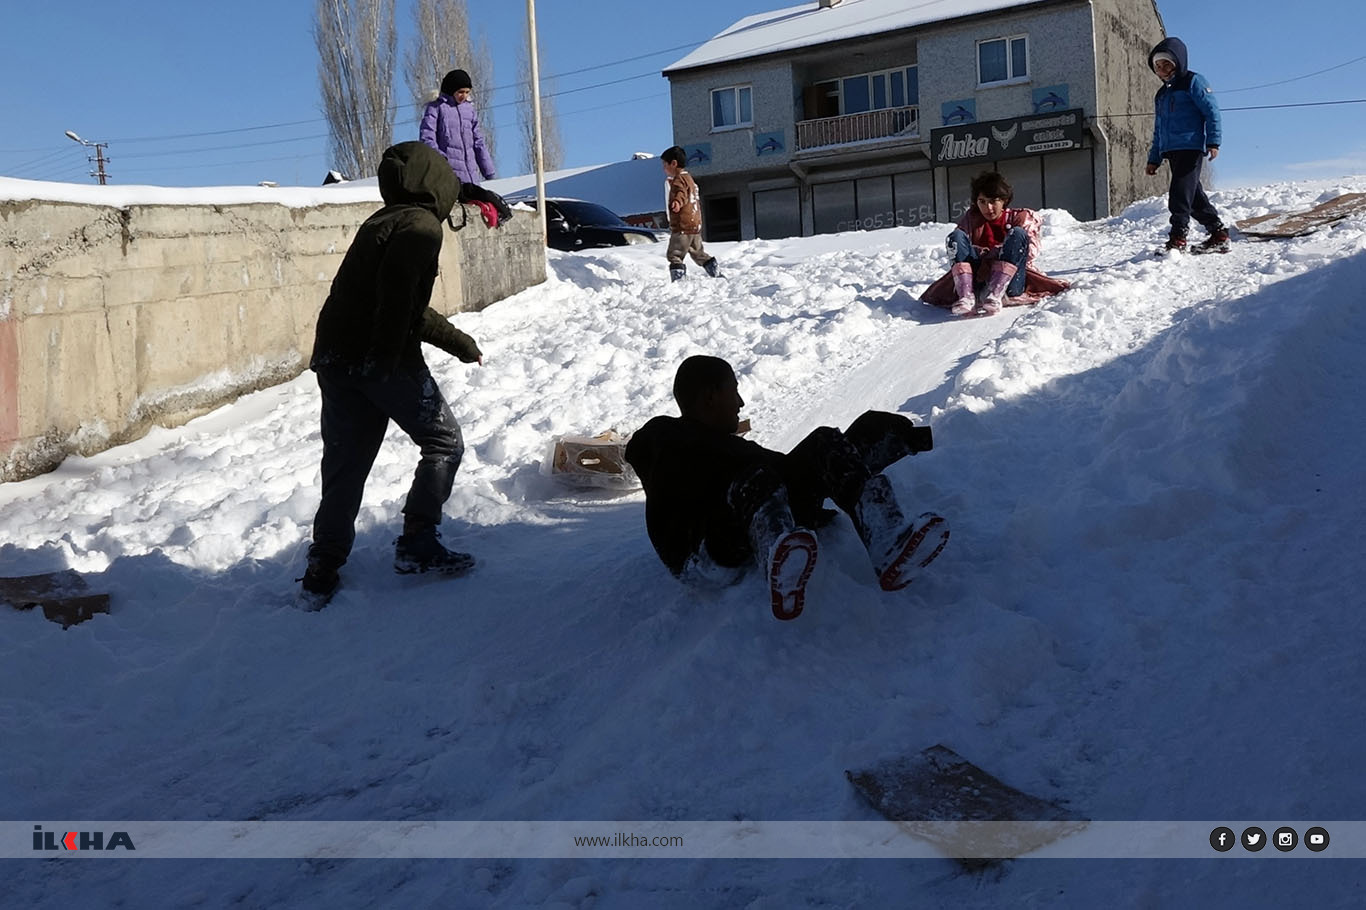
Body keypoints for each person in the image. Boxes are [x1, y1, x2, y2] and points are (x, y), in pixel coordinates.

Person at [623, 356, 949, 620]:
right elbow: (774, 470)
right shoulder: (670, 438)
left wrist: (865, 442)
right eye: (732, 390)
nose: (740, 401)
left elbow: (791, 469)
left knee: (819, 445)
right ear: (710, 397)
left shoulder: (718, 448)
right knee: (760, 476)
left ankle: (887, 539)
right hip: (702, 558)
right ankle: (779, 561)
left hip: (731, 533)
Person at [301, 141, 484, 608]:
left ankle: (323, 565)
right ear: (434, 181)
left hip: (335, 358)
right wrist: (384, 364)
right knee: (444, 442)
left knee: (345, 465)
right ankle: (419, 541)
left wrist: (457, 343)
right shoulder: (421, 227)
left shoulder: (381, 221)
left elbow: (397, 303)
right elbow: (400, 302)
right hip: (378, 359)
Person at [919, 171, 1069, 316]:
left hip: (1011, 284)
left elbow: (1030, 251)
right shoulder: (972, 219)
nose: (988, 208)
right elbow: (959, 248)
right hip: (978, 280)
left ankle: (995, 294)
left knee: (1017, 233)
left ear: (1004, 200)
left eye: (993, 201)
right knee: (955, 236)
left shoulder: (1021, 217)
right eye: (982, 202)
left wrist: (989, 257)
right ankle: (966, 295)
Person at [1145, 36, 1228, 253]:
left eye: (1167, 64)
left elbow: (1211, 111)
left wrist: (1213, 141)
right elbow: (1159, 127)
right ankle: (1218, 233)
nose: (1162, 69)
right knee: (1193, 196)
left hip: (1190, 147)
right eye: (1158, 65)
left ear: (1178, 63)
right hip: (1171, 150)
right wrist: (1154, 158)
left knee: (1180, 193)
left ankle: (1177, 239)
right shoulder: (1162, 94)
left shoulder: (1193, 81)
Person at [419, 68, 512, 224]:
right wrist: (441, 160)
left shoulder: (469, 110)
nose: (464, 96)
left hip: (471, 176)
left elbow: (478, 141)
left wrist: (488, 171)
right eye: (460, 92)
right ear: (451, 90)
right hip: (449, 175)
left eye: (467, 92)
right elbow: (427, 137)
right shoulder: (436, 108)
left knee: (485, 206)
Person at [661, 146, 721, 282]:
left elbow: (680, 193)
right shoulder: (689, 179)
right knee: (698, 253)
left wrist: (677, 202)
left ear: (674, 163)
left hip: (682, 226)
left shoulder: (678, 181)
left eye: (665, 165)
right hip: (694, 225)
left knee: (674, 254)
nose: (663, 169)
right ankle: (715, 271)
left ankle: (679, 280)